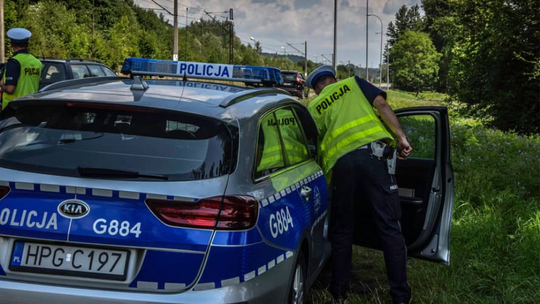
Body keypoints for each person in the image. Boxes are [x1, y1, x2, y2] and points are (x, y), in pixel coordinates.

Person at [305, 65, 412, 304]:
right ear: (335, 79)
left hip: (342, 169)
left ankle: (339, 293)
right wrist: (401, 138)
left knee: (342, 230)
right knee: (389, 228)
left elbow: (312, 143)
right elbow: (382, 105)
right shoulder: (353, 83)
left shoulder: (314, 106)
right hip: (374, 159)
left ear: (315, 90)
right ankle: (401, 297)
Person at [0, 28, 42, 110]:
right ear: (27, 44)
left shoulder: (14, 62)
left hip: (13, 108)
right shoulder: (37, 62)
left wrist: (1, 85)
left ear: (12, 44)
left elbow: (10, 89)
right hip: (31, 106)